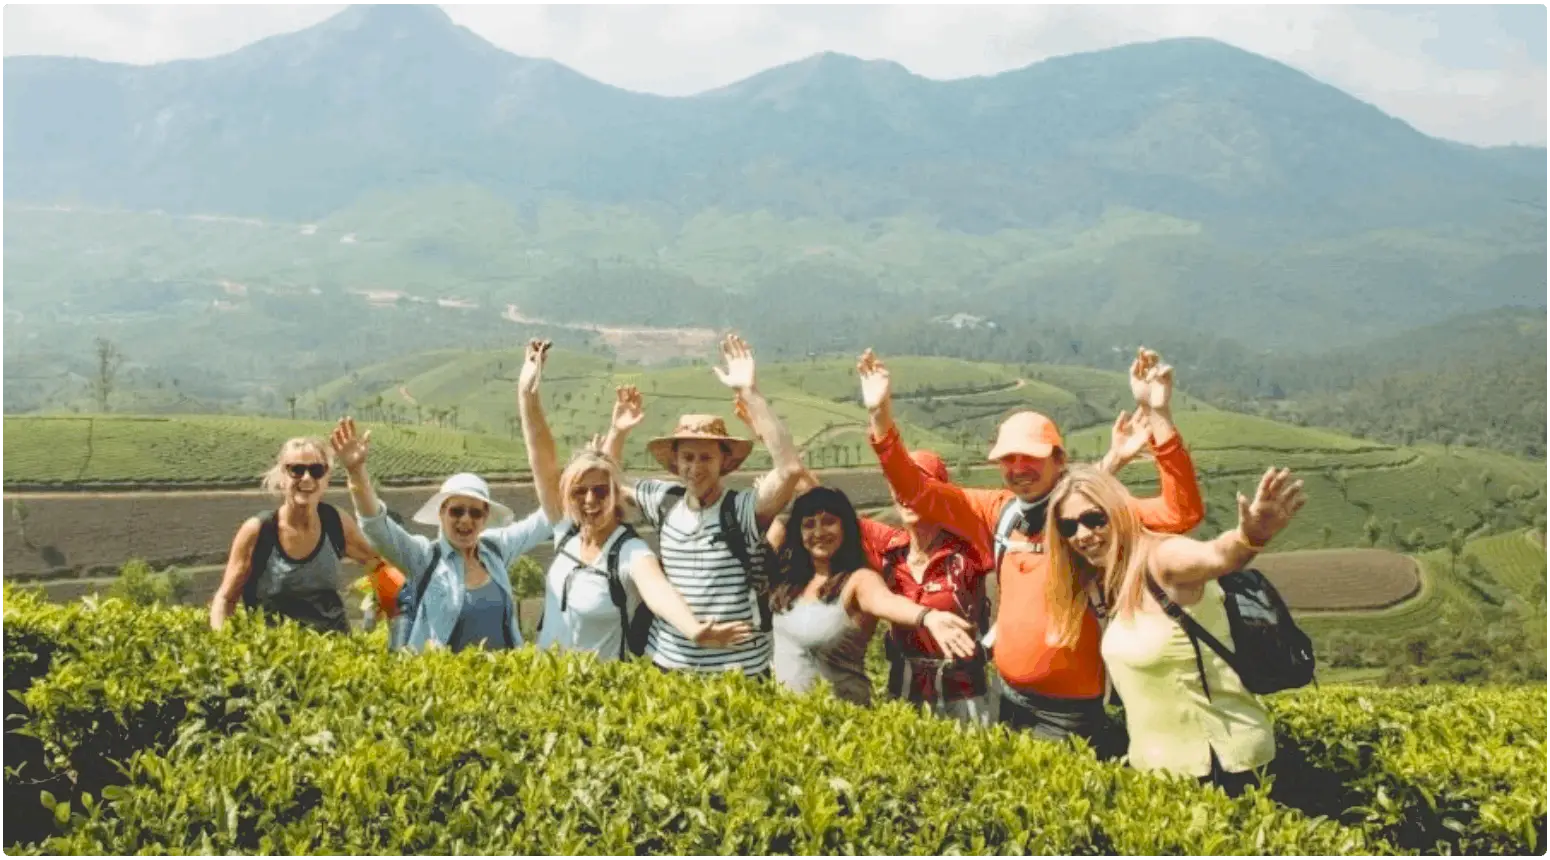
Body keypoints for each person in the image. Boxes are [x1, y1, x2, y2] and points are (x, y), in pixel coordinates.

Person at [858, 347, 1206, 753]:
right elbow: (916, 492)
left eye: (1031, 458)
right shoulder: (998, 511)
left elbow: (1181, 513)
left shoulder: (1091, 516)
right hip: (1005, 697)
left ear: (1059, 459)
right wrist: (880, 415)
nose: (1018, 468)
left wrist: (1159, 415)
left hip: (1070, 712)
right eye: (1008, 459)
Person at [1048, 463, 1306, 794]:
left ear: (1119, 510)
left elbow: (1216, 555)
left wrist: (1248, 538)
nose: (1082, 534)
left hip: (1222, 767)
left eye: (1095, 519)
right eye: (1068, 526)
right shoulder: (1112, 577)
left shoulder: (1163, 559)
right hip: (1160, 774)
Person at [758, 417, 997, 723]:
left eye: (919, 485)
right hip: (905, 687)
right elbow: (823, 508)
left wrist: (993, 644)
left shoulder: (970, 550)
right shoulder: (889, 546)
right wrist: (763, 424)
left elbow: (1018, 578)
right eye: (900, 485)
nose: (908, 494)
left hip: (963, 689)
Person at [335, 339, 563, 653]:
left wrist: (528, 394)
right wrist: (356, 471)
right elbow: (376, 526)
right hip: (446, 688)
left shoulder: (497, 550)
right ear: (441, 514)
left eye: (475, 512)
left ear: (485, 518)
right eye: (456, 511)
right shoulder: (424, 557)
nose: (465, 520)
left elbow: (551, 513)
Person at [602, 335, 805, 679]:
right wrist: (617, 431)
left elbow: (789, 470)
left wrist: (750, 394)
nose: (695, 468)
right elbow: (604, 482)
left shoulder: (742, 510)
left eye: (706, 457)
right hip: (668, 663)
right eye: (688, 457)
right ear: (676, 461)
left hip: (738, 670)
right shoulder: (663, 501)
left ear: (725, 462)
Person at [536, 444, 757, 660]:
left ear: (617, 495)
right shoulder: (566, 533)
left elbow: (658, 591)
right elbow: (540, 457)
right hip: (547, 679)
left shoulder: (630, 552)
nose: (590, 499)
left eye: (601, 491)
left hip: (595, 684)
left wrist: (693, 630)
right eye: (579, 492)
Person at [768, 485, 979, 706]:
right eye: (809, 525)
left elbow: (886, 602)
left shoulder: (858, 580)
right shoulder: (789, 582)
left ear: (845, 527)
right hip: (790, 724)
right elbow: (766, 533)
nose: (819, 533)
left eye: (829, 521)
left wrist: (927, 617)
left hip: (840, 721)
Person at [210, 436, 384, 633]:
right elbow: (225, 599)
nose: (307, 478)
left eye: (317, 470)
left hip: (336, 652)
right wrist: (224, 643)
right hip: (275, 655)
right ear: (282, 477)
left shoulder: (336, 522)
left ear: (326, 478)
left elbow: (377, 562)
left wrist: (376, 608)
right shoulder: (258, 531)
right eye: (297, 470)